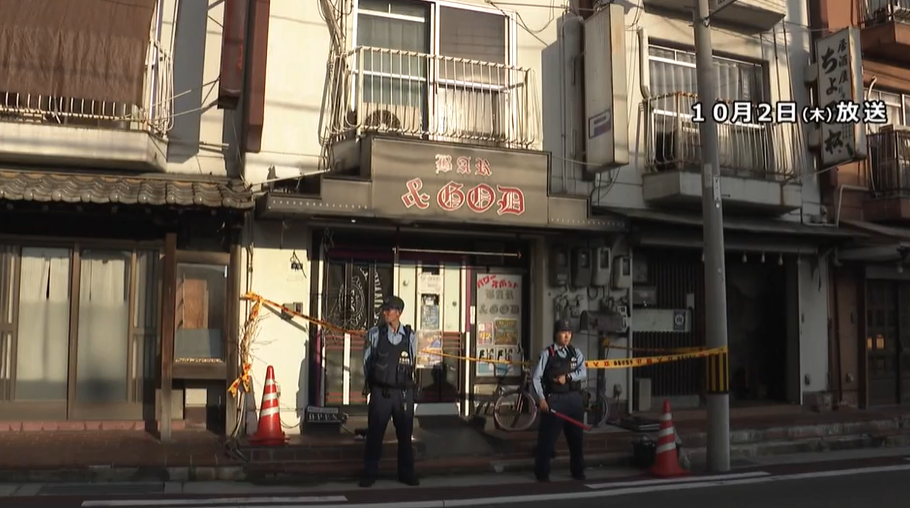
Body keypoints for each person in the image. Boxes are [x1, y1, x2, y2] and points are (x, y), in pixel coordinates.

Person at [360, 295, 420, 488]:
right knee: (375, 434)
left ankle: (406, 474)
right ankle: (369, 474)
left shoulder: (410, 336)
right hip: (381, 392)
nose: (385, 313)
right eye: (384, 310)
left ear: (399, 313)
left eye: (389, 310)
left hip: (402, 394)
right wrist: (375, 383)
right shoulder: (375, 334)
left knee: (405, 435)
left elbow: (413, 361)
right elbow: (367, 361)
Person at [531, 318, 587, 482]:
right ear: (556, 334)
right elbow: (536, 378)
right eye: (563, 332)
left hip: (574, 400)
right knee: (547, 440)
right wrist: (541, 399)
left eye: (569, 333)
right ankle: (542, 473)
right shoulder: (547, 353)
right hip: (555, 400)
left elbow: (583, 372)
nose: (566, 336)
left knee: (576, 440)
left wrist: (568, 377)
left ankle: (578, 471)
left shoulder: (575, 352)